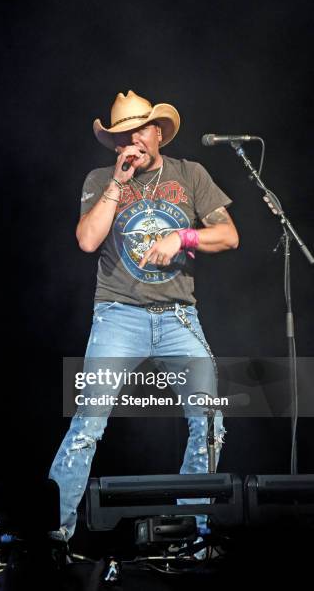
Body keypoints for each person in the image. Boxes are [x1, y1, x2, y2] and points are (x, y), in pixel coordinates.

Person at [49, 90, 239, 543]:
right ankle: (56, 530)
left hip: (178, 317)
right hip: (118, 315)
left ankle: (190, 531)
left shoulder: (190, 174)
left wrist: (183, 238)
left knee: (210, 421)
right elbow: (87, 241)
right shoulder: (101, 178)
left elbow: (230, 236)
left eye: (139, 129)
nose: (131, 140)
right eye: (121, 135)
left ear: (159, 133)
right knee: (88, 423)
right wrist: (118, 180)